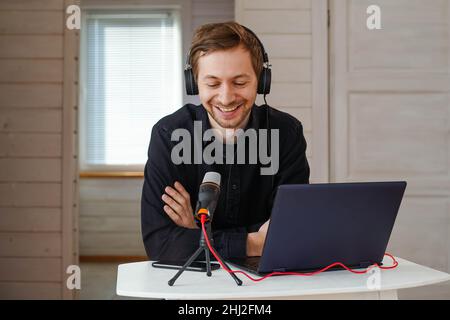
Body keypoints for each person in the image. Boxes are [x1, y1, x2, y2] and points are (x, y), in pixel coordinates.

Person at [141, 22, 309, 261]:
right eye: (212, 84)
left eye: (240, 82)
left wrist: (200, 237)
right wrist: (253, 242)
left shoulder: (287, 133)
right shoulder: (168, 135)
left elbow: (291, 234)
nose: (226, 97)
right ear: (193, 82)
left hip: (267, 288)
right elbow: (161, 243)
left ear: (261, 81)